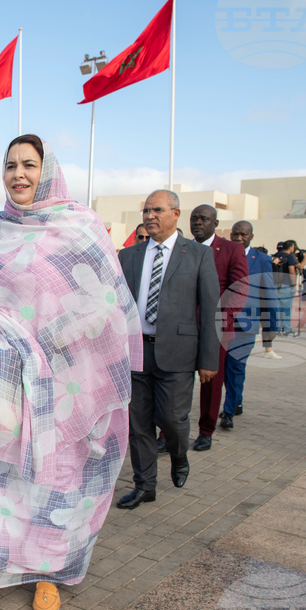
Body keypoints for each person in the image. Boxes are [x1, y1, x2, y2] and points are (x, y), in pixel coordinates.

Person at [0, 136, 141, 610]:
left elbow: (106, 305)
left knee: (53, 481)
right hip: (2, 383)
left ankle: (46, 573)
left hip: (64, 385)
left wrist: (48, 337)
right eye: (10, 165)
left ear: (47, 171)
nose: (18, 174)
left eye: (29, 165)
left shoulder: (81, 226)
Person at [116, 189, 220, 510]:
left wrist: (208, 359)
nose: (150, 216)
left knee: (174, 421)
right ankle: (145, 485)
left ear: (176, 214)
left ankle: (178, 454)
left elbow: (212, 308)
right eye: (146, 210)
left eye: (157, 210)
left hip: (178, 353)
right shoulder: (129, 256)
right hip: (136, 353)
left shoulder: (198, 255)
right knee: (139, 424)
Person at [188, 205, 248, 452]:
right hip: (183, 328)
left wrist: (220, 324)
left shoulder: (232, 249)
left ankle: (206, 431)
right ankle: (167, 432)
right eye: (194, 219)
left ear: (215, 222)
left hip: (216, 329)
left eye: (204, 219)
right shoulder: (183, 248)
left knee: (211, 383)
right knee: (176, 382)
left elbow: (239, 289)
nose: (198, 223)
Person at [222, 221, 275, 429]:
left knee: (236, 368)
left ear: (251, 236)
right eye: (235, 234)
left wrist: (270, 326)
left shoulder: (261, 260)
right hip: (223, 323)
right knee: (226, 370)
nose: (238, 238)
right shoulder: (224, 254)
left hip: (247, 325)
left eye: (243, 234)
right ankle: (236, 402)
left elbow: (268, 293)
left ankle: (228, 412)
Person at [271, 241, 297, 335]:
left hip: (275, 285)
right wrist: (294, 284)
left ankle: (276, 329)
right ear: (290, 247)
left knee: (277, 308)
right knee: (286, 309)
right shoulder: (289, 257)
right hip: (285, 285)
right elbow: (291, 271)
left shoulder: (274, 256)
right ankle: (286, 329)